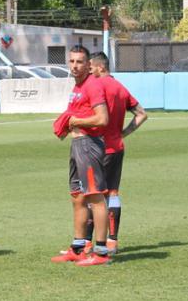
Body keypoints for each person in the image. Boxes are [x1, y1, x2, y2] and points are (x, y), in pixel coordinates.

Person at [51, 45, 111, 266]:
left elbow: (102, 119)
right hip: (78, 145)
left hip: (89, 145)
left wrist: (75, 121)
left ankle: (101, 252)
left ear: (88, 65)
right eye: (72, 61)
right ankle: (78, 248)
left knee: (95, 196)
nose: (75, 66)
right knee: (77, 196)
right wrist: (67, 125)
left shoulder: (92, 86)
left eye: (79, 62)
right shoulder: (77, 87)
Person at [89, 52, 148, 253]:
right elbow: (142, 114)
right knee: (112, 193)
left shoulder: (97, 87)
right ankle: (113, 240)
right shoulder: (120, 88)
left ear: (100, 68)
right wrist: (124, 133)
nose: (89, 71)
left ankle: (88, 242)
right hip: (116, 147)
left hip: (97, 147)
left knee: (93, 194)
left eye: (91, 68)